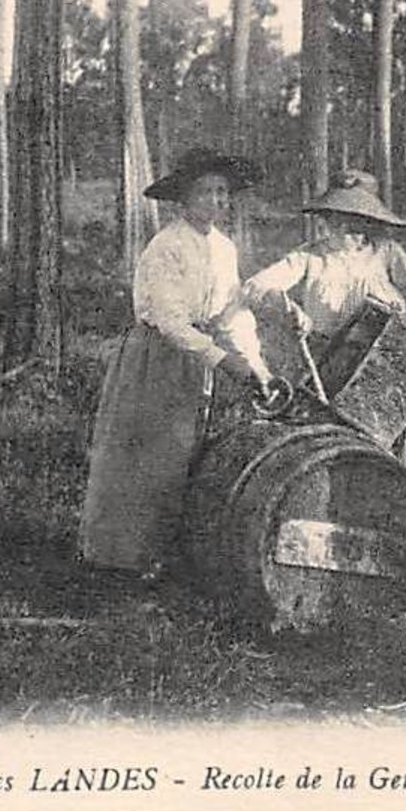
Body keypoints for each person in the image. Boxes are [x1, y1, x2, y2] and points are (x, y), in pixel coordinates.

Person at [79, 147, 271, 581]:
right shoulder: (167, 246)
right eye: (205, 192)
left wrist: (255, 365)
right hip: (157, 357)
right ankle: (123, 559)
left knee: (192, 454)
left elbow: (232, 313)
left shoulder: (224, 249)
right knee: (150, 454)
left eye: (223, 193)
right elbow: (168, 319)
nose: (216, 201)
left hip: (200, 357)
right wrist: (222, 359)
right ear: (183, 201)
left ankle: (173, 556)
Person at [238, 170, 406, 491]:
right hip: (329, 366)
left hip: (387, 369)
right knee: (331, 449)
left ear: (367, 223)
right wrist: (288, 307)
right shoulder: (310, 257)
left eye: (351, 221)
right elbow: (256, 286)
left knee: (399, 454)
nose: (340, 229)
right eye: (333, 219)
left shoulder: (386, 254)